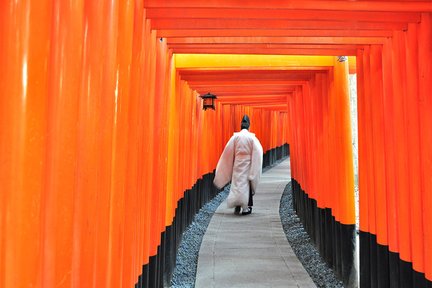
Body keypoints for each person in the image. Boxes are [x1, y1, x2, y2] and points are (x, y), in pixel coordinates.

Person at [213, 115, 263, 215]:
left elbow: (227, 152)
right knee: (246, 185)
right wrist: (254, 168)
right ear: (249, 126)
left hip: (237, 163)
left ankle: (237, 205)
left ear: (241, 126)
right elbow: (258, 152)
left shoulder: (235, 137)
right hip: (248, 164)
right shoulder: (252, 138)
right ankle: (245, 208)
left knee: (236, 184)